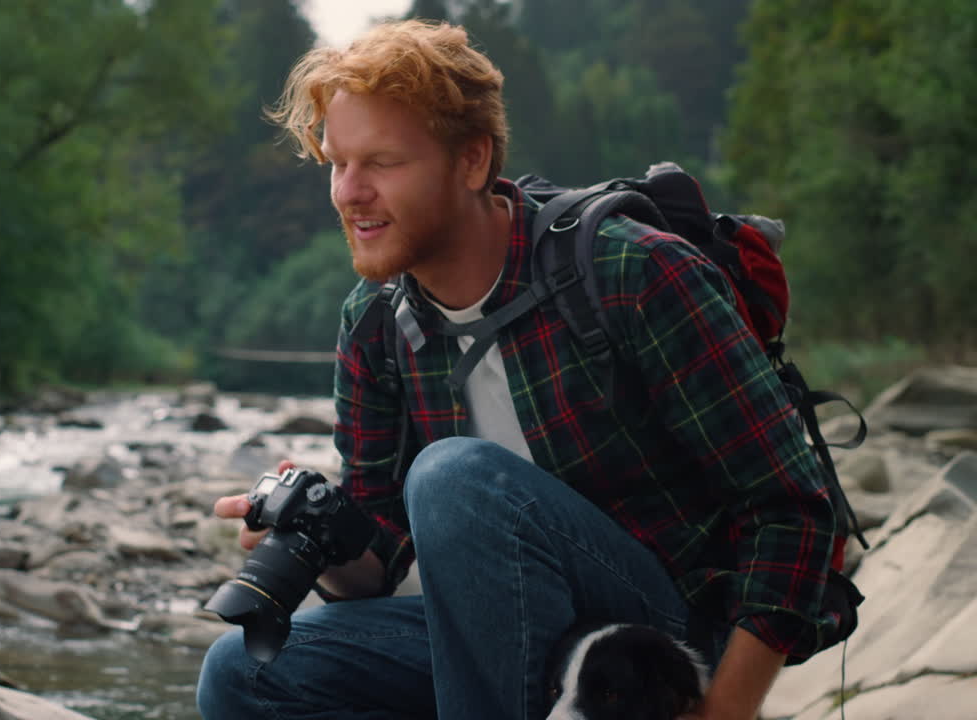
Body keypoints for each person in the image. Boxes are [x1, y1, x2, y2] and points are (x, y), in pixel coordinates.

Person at [197, 19, 841, 720]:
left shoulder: (632, 273)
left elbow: (793, 509)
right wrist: (319, 539)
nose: (349, 192)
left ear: (472, 161)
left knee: (454, 479)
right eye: (335, 162)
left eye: (381, 162)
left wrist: (725, 709)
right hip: (499, 637)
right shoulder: (375, 323)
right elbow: (380, 567)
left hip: (656, 644)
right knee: (242, 672)